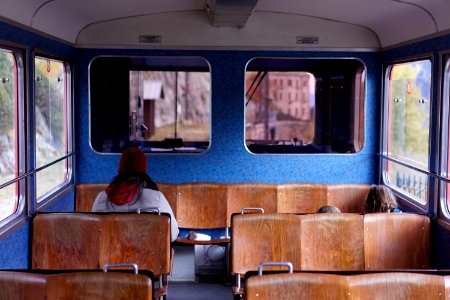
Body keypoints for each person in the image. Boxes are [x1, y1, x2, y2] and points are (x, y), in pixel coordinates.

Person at [92, 147, 179, 241]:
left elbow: (93, 233)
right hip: (149, 254)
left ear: (120, 170)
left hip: (109, 254)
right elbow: (172, 235)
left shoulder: (101, 198)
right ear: (144, 171)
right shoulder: (157, 197)